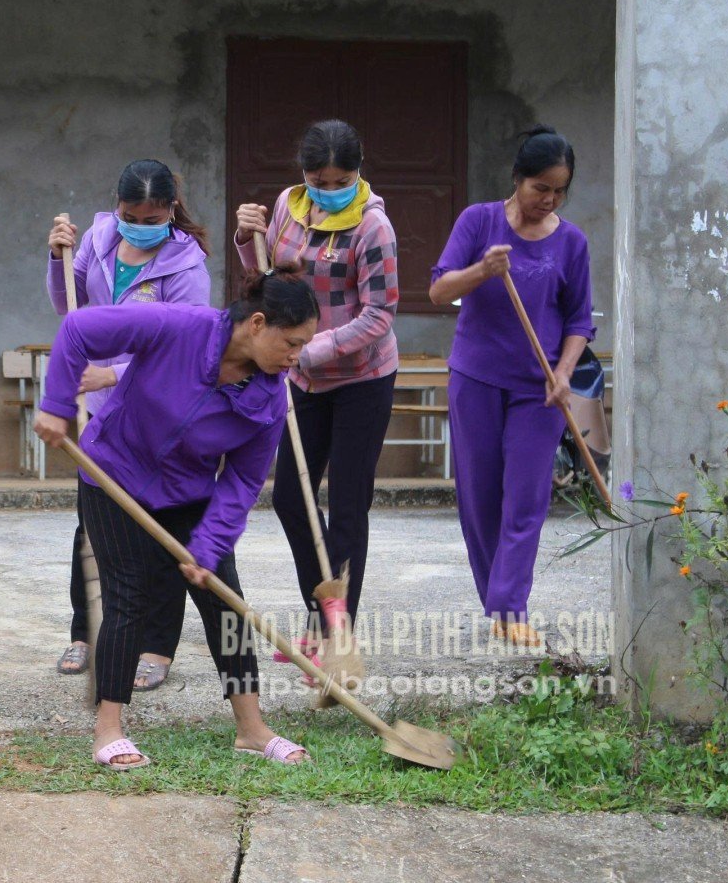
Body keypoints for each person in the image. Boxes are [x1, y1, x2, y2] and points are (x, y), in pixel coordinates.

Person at [33, 267, 319, 770]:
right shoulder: (178, 325)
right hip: (113, 473)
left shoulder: (271, 396)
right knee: (127, 598)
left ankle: (252, 729)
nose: (297, 357)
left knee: (226, 603)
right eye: (292, 343)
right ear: (257, 323)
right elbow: (79, 331)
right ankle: (108, 730)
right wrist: (57, 404)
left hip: (188, 492)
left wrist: (209, 547)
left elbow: (242, 482)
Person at [232, 119, 399, 679]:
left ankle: (336, 633)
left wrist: (309, 348)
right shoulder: (289, 205)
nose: (328, 187)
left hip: (360, 379)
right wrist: (245, 242)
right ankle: (318, 608)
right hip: (300, 380)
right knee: (290, 500)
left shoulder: (373, 227)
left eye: (340, 178)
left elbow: (379, 315)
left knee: (348, 505)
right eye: (317, 177)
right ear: (302, 174)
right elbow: (268, 290)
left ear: (357, 172)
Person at [46, 159, 212, 690]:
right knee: (93, 525)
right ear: (117, 207)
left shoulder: (186, 267)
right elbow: (67, 306)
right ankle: (83, 633)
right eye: (131, 213)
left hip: (159, 416)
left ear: (170, 210)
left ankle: (156, 646)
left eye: (153, 214)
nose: (142, 221)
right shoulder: (96, 241)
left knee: (159, 529)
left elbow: (185, 348)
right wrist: (57, 259)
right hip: (101, 417)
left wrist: (111, 375)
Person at [429, 126, 594, 648]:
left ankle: (511, 604)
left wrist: (565, 372)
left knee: (526, 496)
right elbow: (438, 289)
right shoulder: (478, 221)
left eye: (559, 190)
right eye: (539, 187)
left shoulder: (571, 242)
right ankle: (496, 603)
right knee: (479, 496)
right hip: (476, 378)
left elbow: (579, 320)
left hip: (539, 387)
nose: (548, 199)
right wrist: (483, 269)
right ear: (517, 179)